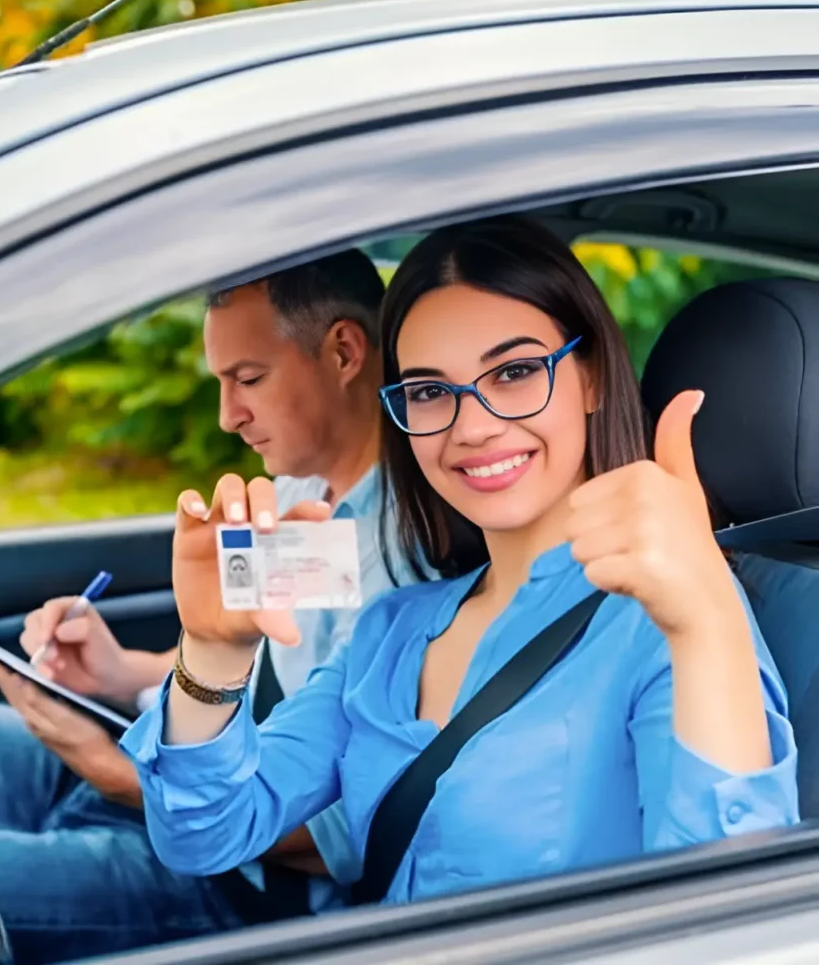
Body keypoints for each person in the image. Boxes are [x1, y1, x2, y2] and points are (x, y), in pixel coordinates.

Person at [121, 216, 800, 904]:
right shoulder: (389, 633)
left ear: (590, 376)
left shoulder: (671, 622)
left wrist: (706, 616)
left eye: (513, 372)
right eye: (428, 391)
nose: (471, 426)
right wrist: (209, 651)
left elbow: (731, 920)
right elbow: (204, 835)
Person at [0, 249, 404, 963]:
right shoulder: (301, 499)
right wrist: (118, 675)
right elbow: (264, 670)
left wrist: (108, 771)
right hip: (144, 758)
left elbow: (339, 836)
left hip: (227, 881)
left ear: (342, 351)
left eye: (248, 379)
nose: (227, 416)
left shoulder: (402, 560)